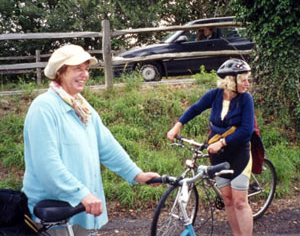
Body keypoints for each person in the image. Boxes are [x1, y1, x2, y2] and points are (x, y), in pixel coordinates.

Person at [22, 44, 159, 236]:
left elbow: (107, 146)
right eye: (77, 68)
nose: (85, 74)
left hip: (83, 210)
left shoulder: (81, 106)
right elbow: (47, 164)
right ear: (60, 72)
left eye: (86, 69)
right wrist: (81, 194)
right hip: (56, 214)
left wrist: (136, 174)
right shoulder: (44, 108)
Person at [167, 58, 254, 236]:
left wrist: (222, 142)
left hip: (239, 154)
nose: (247, 83)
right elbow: (195, 109)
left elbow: (247, 130)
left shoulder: (246, 100)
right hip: (219, 155)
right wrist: (178, 125)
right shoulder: (214, 95)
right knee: (228, 200)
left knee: (239, 202)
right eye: (243, 79)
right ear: (231, 80)